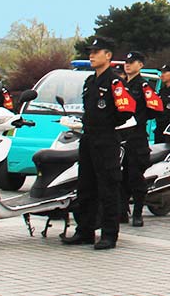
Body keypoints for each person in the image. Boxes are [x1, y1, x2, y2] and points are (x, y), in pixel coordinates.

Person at [61, 37, 136, 250]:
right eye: (90, 52)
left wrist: (107, 125)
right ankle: (84, 231)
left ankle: (109, 235)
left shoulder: (114, 82)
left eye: (96, 52)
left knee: (108, 187)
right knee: (86, 186)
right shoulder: (90, 81)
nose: (91, 56)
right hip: (88, 138)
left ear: (108, 56)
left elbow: (126, 110)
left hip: (106, 139)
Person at [119, 51, 163, 227]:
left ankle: (137, 213)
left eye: (132, 62)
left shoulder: (144, 86)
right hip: (121, 137)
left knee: (136, 176)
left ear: (140, 65)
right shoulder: (120, 85)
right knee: (120, 177)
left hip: (136, 138)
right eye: (126, 62)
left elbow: (156, 109)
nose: (128, 65)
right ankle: (122, 211)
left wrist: (140, 119)